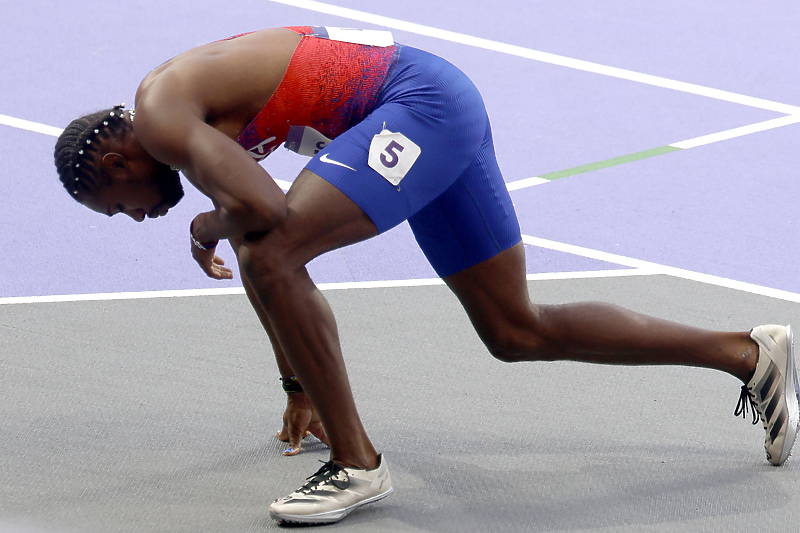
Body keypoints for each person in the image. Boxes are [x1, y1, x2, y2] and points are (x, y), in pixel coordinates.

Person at [54, 26, 799, 525]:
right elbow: (257, 232)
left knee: (264, 244)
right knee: (515, 329)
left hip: (419, 106)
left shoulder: (160, 115)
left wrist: (203, 223)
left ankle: (358, 464)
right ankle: (747, 353)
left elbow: (262, 214)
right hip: (435, 107)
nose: (133, 218)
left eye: (115, 208)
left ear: (119, 163)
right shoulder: (189, 125)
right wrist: (296, 386)